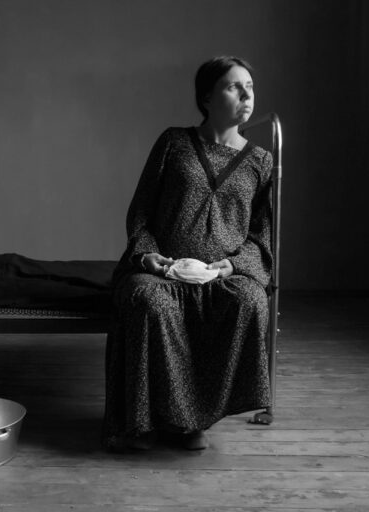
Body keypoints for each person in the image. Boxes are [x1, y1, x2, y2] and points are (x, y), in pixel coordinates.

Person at [102, 56, 273, 451]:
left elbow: (262, 232)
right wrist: (147, 257)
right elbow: (141, 209)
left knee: (249, 300)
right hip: (162, 269)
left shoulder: (260, 161)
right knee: (146, 299)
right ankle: (145, 421)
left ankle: (194, 419)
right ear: (206, 97)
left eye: (250, 85)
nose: (247, 94)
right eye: (234, 86)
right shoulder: (174, 143)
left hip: (223, 274)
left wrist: (231, 265)